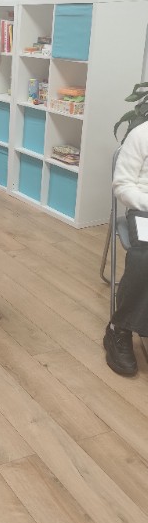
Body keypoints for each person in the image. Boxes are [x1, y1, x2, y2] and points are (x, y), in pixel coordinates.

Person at [103, 119, 148, 375]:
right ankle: (119, 329)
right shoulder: (141, 135)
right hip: (144, 209)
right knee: (145, 256)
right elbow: (122, 186)